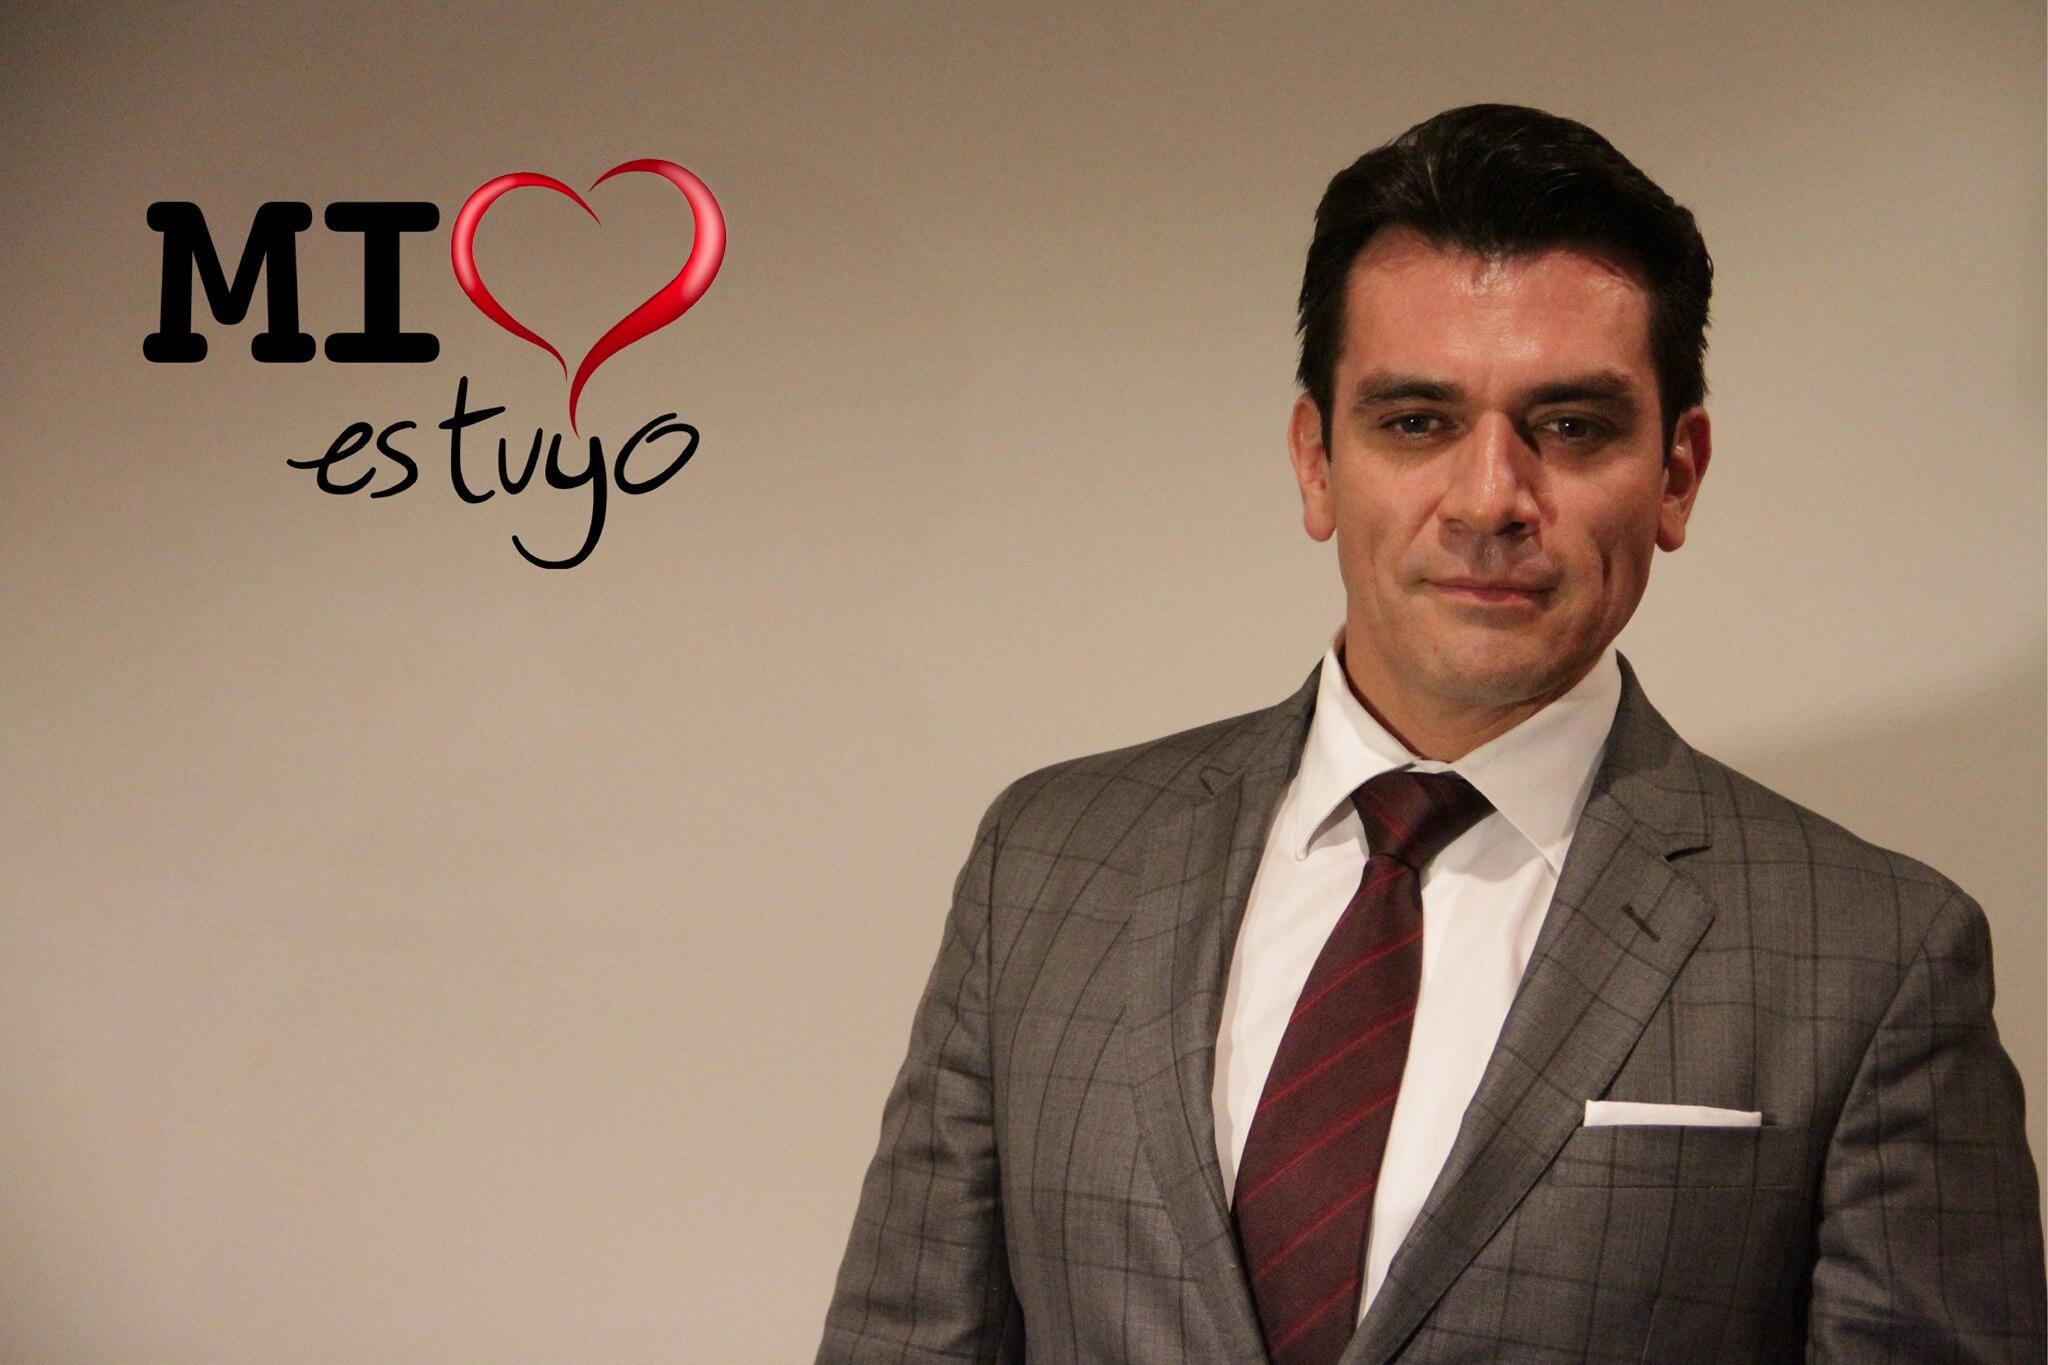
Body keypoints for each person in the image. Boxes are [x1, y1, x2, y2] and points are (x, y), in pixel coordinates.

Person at [816, 104, 2046, 1363]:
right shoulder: (1046, 864)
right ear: (1314, 460)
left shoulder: (1874, 956)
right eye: (1416, 422)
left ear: (1676, 474)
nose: (1488, 499)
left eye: (1569, 427)